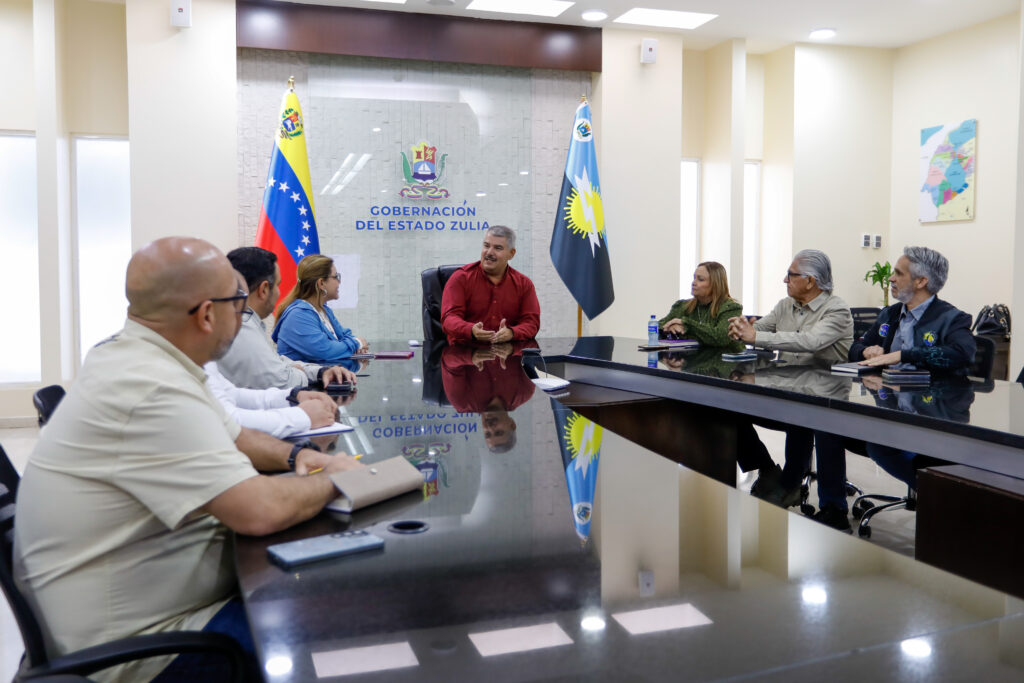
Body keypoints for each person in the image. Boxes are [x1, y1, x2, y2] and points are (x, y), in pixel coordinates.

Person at [14, 237, 363, 683]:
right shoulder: (150, 387)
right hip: (141, 648)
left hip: (145, 607)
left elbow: (236, 435)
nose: (245, 316)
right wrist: (338, 478)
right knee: (331, 630)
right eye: (238, 304)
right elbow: (259, 510)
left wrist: (300, 455)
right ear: (207, 314)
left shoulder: (145, 359)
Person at [809, 246, 975, 531]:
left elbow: (962, 353)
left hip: (932, 416)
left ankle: (941, 495)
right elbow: (855, 347)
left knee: (878, 443)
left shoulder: (952, 318)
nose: (891, 278)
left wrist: (903, 355)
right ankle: (833, 510)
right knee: (829, 422)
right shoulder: (891, 314)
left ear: (921, 281)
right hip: (888, 409)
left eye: (898, 273)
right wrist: (866, 351)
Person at [727, 249, 854, 508]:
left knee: (808, 419)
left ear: (810, 281)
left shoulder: (837, 309)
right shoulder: (785, 305)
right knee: (729, 409)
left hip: (825, 396)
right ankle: (767, 469)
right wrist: (739, 328)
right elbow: (759, 328)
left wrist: (755, 336)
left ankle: (805, 494)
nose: (785, 279)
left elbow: (810, 341)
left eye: (791, 274)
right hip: (786, 390)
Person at [218, 247, 357, 390]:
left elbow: (278, 362)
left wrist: (320, 372)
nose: (279, 292)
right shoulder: (242, 328)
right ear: (264, 289)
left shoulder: (246, 322)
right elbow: (281, 381)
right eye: (278, 285)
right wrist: (301, 373)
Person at [441, 225, 540, 345]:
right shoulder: (461, 278)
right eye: (486, 246)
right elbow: (449, 319)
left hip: (507, 352)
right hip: (464, 351)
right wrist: (471, 330)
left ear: (511, 253)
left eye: (498, 248)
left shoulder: (524, 284)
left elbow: (531, 323)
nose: (489, 252)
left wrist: (512, 333)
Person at [441, 342, 536, 453]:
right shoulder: (523, 392)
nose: (490, 428)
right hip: (509, 333)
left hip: (465, 333)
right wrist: (512, 349)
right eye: (498, 432)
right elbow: (533, 350)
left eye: (487, 434)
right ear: (512, 424)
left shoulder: (463, 402)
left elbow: (447, 359)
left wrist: (470, 357)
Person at [272, 254, 368, 364]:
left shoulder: (324, 310)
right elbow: (325, 350)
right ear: (321, 283)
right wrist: (357, 343)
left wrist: (355, 346)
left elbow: (344, 336)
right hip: (303, 376)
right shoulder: (297, 315)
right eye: (336, 277)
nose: (339, 282)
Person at [659, 261, 745, 351]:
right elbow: (657, 327)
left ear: (715, 284)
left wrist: (687, 325)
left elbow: (720, 337)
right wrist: (669, 328)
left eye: (700, 279)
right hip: (693, 358)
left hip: (724, 358)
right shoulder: (682, 306)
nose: (693, 283)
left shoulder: (731, 308)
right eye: (694, 278)